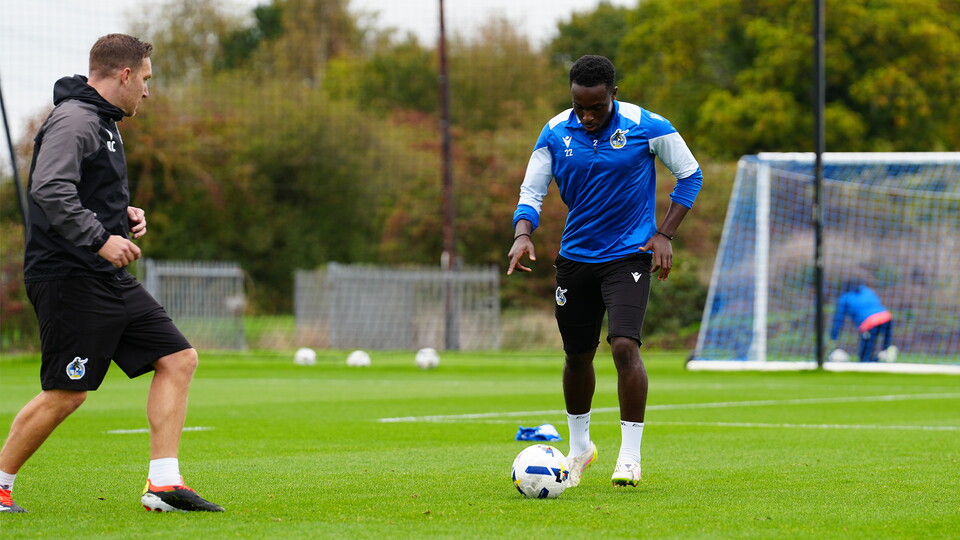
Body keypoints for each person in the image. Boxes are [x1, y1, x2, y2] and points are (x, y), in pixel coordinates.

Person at [0, 34, 223, 513]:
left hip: (101, 276)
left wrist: (121, 215)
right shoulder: (76, 119)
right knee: (66, 393)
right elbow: (50, 187)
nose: (147, 91)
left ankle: (163, 484)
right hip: (69, 277)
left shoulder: (103, 122)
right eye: (144, 80)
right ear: (124, 74)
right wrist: (100, 238)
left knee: (178, 358)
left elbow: (83, 190)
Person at [506, 55, 703, 488]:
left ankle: (630, 458)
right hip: (576, 258)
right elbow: (532, 190)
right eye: (580, 106)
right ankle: (580, 450)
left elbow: (690, 175)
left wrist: (664, 234)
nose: (588, 115)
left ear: (613, 93)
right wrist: (523, 233)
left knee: (623, 347)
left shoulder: (647, 125)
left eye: (596, 106)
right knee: (577, 355)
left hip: (629, 256)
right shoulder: (556, 131)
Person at [830, 281, 896, 363]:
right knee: (882, 346)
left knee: (864, 356)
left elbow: (838, 319)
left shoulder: (844, 298)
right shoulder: (867, 291)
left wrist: (834, 337)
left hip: (870, 323)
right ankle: (885, 352)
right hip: (886, 317)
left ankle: (881, 356)